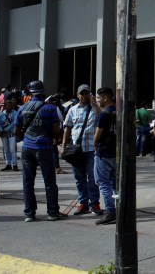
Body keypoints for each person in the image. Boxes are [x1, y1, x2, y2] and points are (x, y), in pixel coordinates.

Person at [14, 80, 67, 221]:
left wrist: (25, 138)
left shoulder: (22, 108)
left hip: (27, 148)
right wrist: (55, 138)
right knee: (49, 181)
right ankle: (52, 212)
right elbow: (56, 129)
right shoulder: (49, 108)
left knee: (28, 182)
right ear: (43, 92)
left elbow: (16, 130)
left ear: (30, 92)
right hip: (43, 147)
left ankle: (29, 213)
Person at [62, 84, 102, 216]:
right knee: (79, 178)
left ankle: (95, 203)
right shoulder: (72, 109)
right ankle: (83, 203)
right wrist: (63, 146)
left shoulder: (94, 108)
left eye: (86, 93)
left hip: (91, 149)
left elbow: (100, 118)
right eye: (81, 93)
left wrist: (94, 103)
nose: (84, 96)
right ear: (77, 95)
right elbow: (67, 128)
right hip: (76, 150)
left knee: (93, 177)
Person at [93, 87, 117, 225]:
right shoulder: (117, 112)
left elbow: (97, 135)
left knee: (103, 183)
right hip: (116, 153)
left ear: (105, 98)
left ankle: (110, 212)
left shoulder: (104, 115)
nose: (98, 100)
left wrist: (95, 144)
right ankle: (119, 208)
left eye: (99, 98)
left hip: (104, 153)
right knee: (115, 183)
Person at [0, 100, 19, 171]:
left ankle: (15, 164)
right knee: (6, 149)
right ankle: (8, 164)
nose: (9, 106)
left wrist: (6, 129)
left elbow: (14, 123)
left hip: (12, 134)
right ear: (5, 106)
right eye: (7, 105)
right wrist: (1, 130)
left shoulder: (15, 113)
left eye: (10, 105)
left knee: (12, 149)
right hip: (4, 135)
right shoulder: (1, 114)